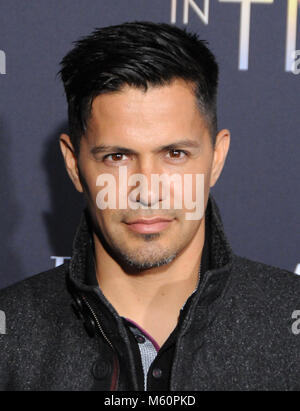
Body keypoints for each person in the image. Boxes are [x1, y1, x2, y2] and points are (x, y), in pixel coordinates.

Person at [0, 21, 299, 392]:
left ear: (217, 159)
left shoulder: (290, 327)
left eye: (175, 154)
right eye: (117, 156)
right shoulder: (9, 336)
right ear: (74, 165)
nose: (147, 190)